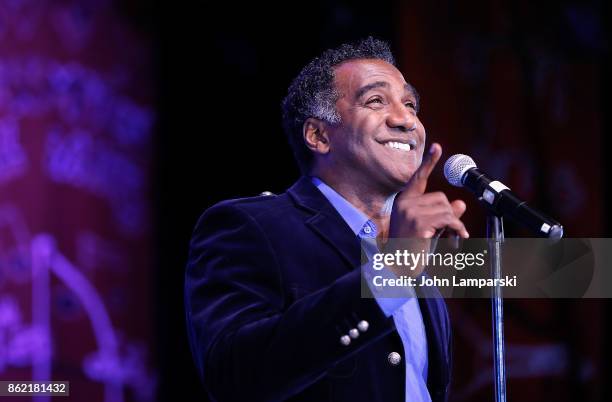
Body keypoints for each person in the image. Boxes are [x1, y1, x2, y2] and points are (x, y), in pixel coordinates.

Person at [185, 37, 469, 402]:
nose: (405, 120)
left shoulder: (419, 261)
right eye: (376, 100)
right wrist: (391, 272)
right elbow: (235, 375)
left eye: (411, 104)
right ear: (318, 135)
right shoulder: (249, 227)